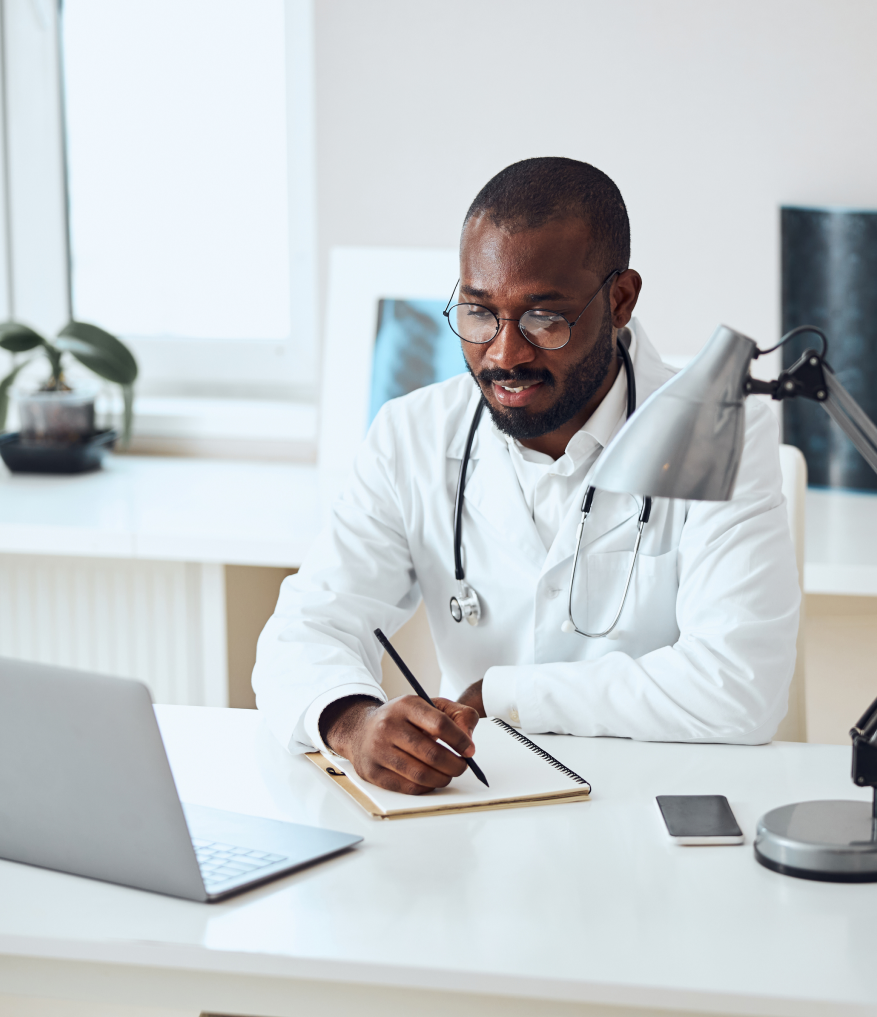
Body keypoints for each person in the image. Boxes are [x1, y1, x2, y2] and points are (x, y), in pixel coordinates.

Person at [252, 156, 800, 796]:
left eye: (546, 318)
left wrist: (501, 694)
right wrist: (351, 723)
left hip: (656, 816)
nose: (505, 354)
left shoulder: (718, 431)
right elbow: (306, 629)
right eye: (480, 314)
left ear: (620, 300)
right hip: (482, 814)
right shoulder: (412, 435)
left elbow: (738, 688)